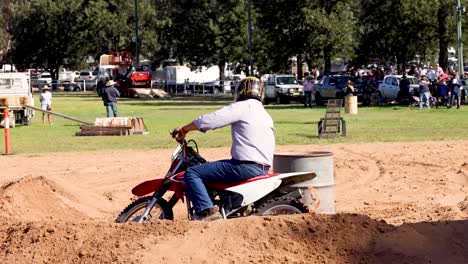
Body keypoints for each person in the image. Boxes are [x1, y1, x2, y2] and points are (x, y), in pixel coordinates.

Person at [170, 77, 275, 221]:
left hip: (244, 167)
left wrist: (185, 129)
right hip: (262, 168)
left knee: (192, 173)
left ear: (240, 91)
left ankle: (208, 212)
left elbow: (211, 120)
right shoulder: (265, 114)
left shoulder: (243, 107)